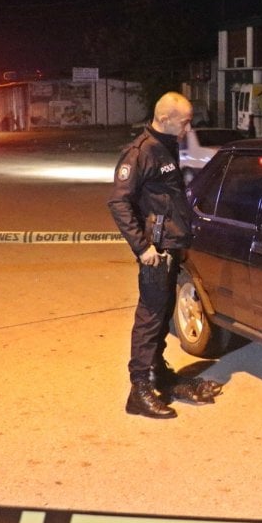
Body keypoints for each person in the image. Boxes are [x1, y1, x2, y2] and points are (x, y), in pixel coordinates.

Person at [108, 91, 223, 418]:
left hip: (171, 246)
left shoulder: (167, 145)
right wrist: (142, 247)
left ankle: (159, 374)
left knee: (161, 316)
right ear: (165, 119)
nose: (189, 129)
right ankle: (139, 390)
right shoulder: (141, 152)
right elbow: (118, 202)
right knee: (150, 318)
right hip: (156, 251)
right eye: (184, 122)